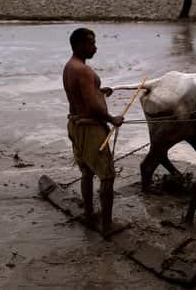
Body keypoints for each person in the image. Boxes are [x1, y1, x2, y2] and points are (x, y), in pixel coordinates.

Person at [63, 27, 126, 238]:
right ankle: (107, 226)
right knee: (107, 176)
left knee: (87, 173)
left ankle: (90, 214)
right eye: (91, 43)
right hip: (90, 128)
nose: (95, 47)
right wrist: (112, 119)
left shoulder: (70, 67)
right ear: (79, 45)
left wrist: (100, 91)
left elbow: (81, 96)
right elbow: (92, 107)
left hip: (75, 124)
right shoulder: (84, 71)